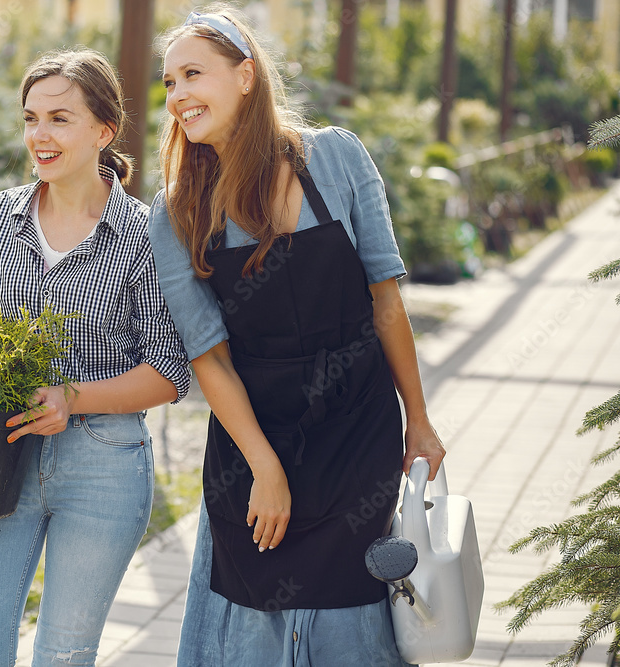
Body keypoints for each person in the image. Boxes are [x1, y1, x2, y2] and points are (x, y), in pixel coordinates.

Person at [148, 7, 447, 666]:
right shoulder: (175, 212)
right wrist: (265, 468)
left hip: (356, 435)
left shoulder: (336, 157)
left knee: (354, 622)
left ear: (246, 76)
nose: (176, 96)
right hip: (251, 446)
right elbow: (209, 356)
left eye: (192, 74)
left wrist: (419, 420)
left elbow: (385, 299)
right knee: (255, 623)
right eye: (168, 83)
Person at [0, 48, 190, 666]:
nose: (39, 136)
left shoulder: (145, 235)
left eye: (59, 118)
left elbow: (171, 370)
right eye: (30, 119)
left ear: (104, 130)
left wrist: (72, 400)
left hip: (102, 464)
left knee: (64, 657)